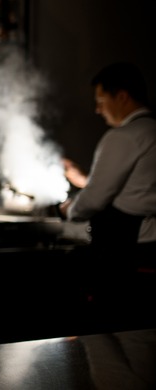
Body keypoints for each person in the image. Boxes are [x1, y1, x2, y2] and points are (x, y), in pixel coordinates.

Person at [59, 61, 156, 331]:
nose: (98, 109)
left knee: (111, 335)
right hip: (149, 249)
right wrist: (82, 179)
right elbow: (134, 187)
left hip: (129, 254)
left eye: (101, 100)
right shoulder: (151, 131)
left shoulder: (123, 136)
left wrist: (68, 210)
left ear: (122, 96)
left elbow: (94, 200)